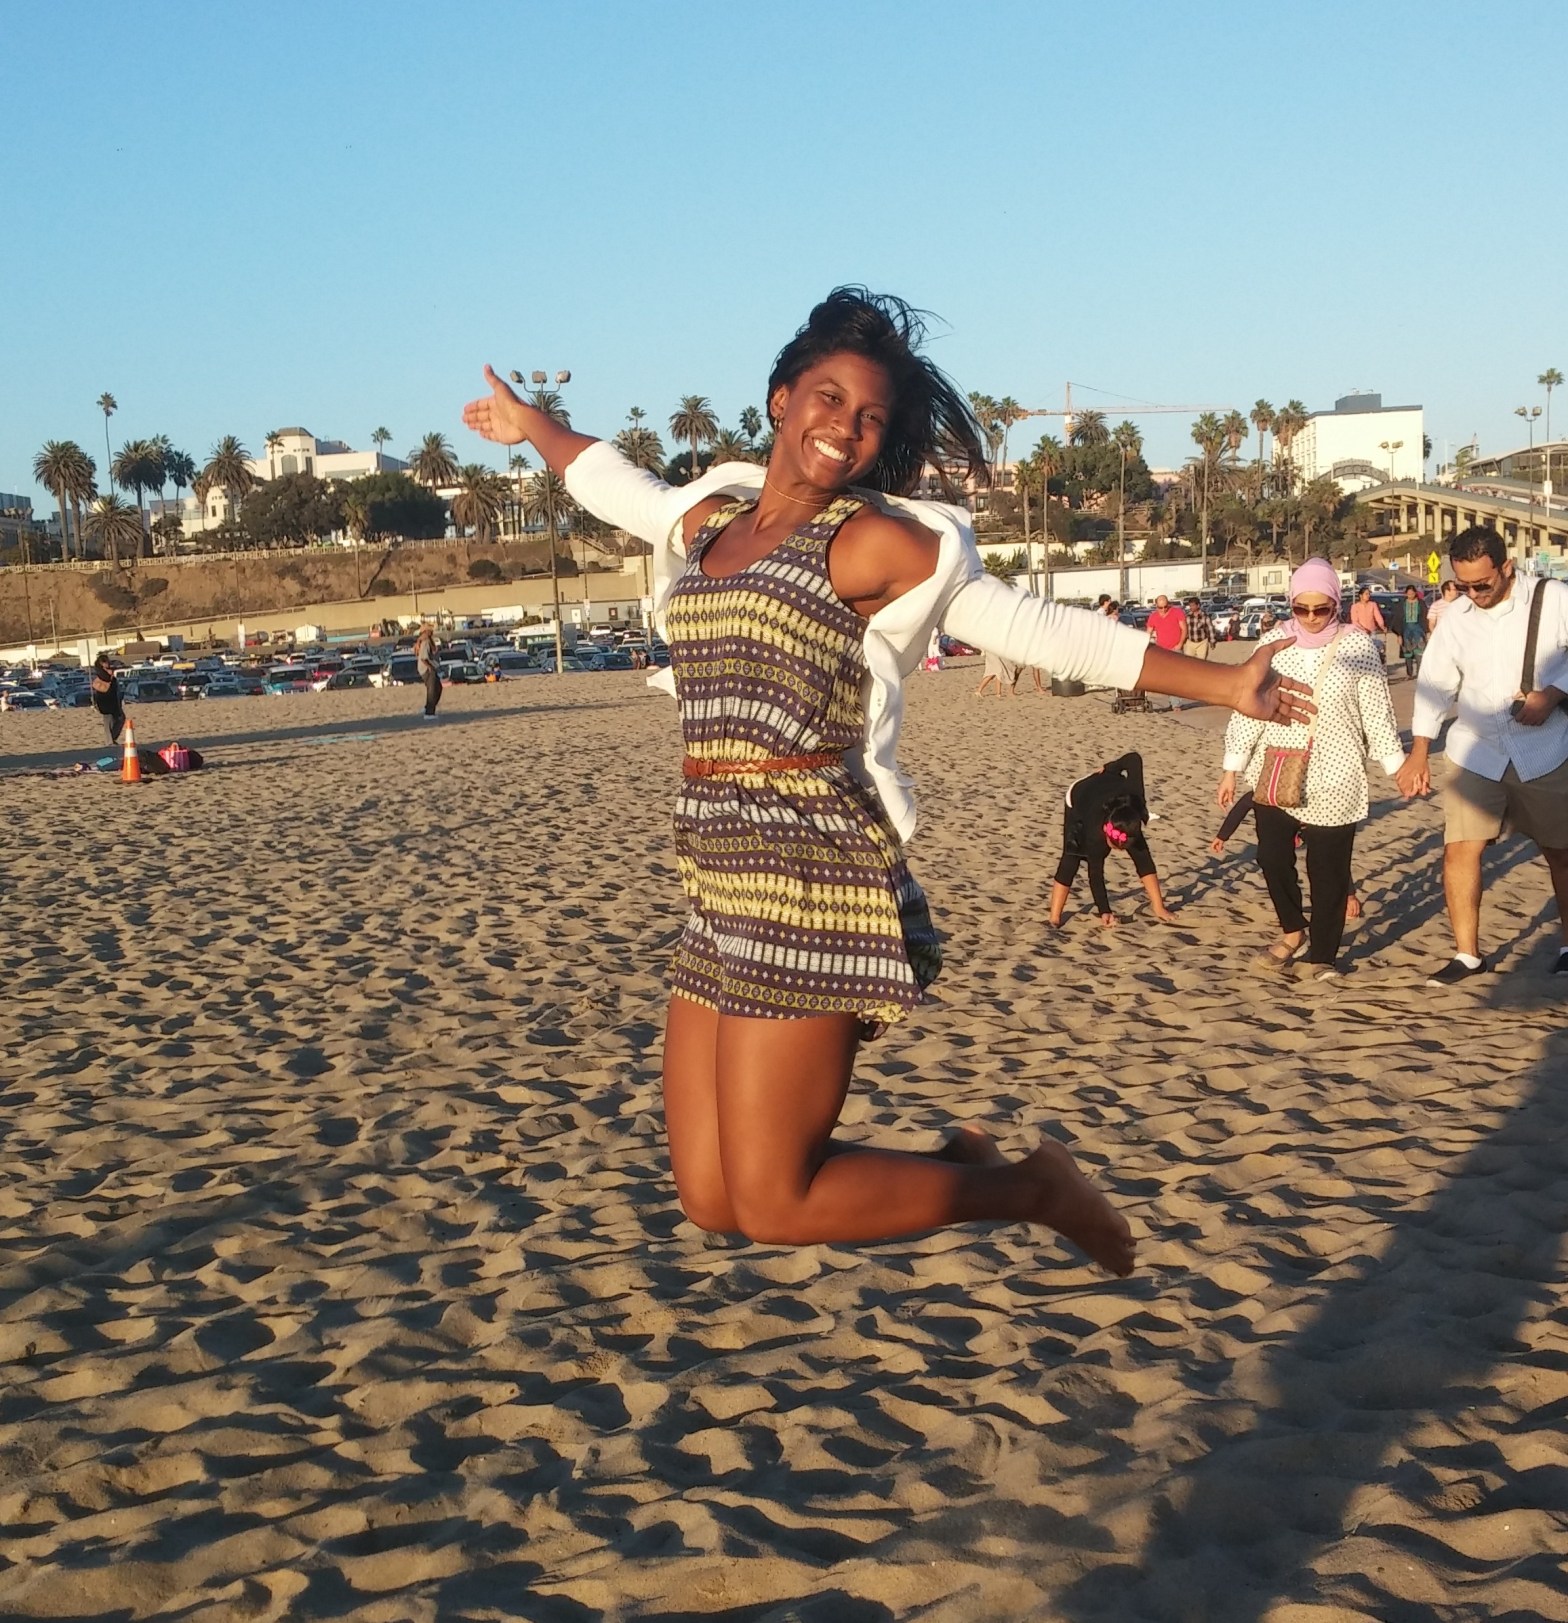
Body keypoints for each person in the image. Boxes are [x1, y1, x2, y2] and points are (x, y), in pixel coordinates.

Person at [461, 287, 1310, 1275]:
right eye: (827, 399)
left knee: (776, 1200)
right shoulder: (709, 524)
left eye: (870, 419)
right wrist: (536, 430)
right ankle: (968, 1165)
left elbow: (1025, 625)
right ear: (779, 399)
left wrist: (1218, 681)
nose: (845, 430)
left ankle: (1030, 1188)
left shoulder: (866, 543)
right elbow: (620, 486)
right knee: (710, 1195)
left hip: (811, 869)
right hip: (718, 870)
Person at [1397, 526, 1568, 982]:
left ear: (1506, 568)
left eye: (1482, 584)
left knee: (1560, 851)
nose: (1473, 594)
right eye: (1464, 585)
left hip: (1545, 747)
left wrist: (1553, 693)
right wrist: (1419, 750)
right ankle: (1468, 955)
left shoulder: (1554, 599)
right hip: (1476, 750)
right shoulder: (1457, 615)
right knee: (1459, 850)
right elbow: (1435, 684)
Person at [1218, 558, 1403, 979]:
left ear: (1336, 603)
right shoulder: (1271, 643)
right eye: (1302, 609)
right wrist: (1233, 766)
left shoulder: (1357, 645)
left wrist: (1397, 765)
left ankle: (1323, 954)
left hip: (1337, 773)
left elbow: (1376, 712)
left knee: (1328, 871)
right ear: (1291, 605)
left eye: (1323, 609)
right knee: (1271, 856)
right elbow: (1247, 708)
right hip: (1278, 766)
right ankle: (1292, 930)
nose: (1313, 618)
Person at [1048, 752, 1176, 928]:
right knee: (1072, 858)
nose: (1118, 851)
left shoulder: (1135, 800)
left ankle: (1158, 907)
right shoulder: (1094, 833)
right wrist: (1104, 910)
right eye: (1114, 847)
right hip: (1081, 795)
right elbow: (1095, 874)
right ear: (1106, 832)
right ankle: (1055, 916)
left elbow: (1134, 759)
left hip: (1112, 790)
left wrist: (1110, 768)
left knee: (1142, 855)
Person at [1210, 788, 1361, 920]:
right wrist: (1222, 836)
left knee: (1329, 862)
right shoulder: (1264, 792)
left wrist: (1350, 895)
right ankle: (1292, 917)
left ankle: (1347, 899)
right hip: (1280, 831)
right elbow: (1242, 807)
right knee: (1275, 865)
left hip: (1310, 825)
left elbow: (1336, 860)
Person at [89, 652, 125, 751]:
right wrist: (109, 681)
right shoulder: (99, 677)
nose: (108, 667)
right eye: (105, 664)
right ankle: (110, 741)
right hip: (104, 701)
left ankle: (112, 739)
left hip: (114, 700)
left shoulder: (110, 676)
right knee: (108, 720)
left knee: (120, 719)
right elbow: (102, 688)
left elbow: (115, 687)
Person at [1399, 584, 1429, 679]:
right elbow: (1398, 619)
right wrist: (1399, 634)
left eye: (1412, 593)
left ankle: (1420, 673)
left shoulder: (1421, 603)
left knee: (1419, 652)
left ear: (1415, 593)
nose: (1410, 595)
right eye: (1408, 594)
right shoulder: (1402, 604)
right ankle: (1409, 673)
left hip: (1418, 630)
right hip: (1406, 630)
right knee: (1407, 653)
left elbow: (1425, 617)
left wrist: (1426, 631)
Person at [414, 622, 442, 717]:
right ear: (426, 632)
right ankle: (429, 713)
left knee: (438, 688)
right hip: (427, 669)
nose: (432, 632)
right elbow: (424, 658)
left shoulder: (428, 641)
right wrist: (430, 667)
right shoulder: (425, 642)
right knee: (432, 690)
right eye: (430, 630)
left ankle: (428, 708)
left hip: (428, 668)